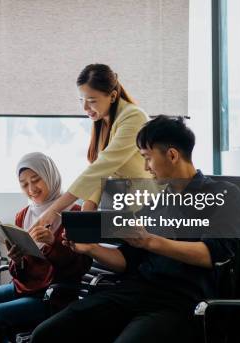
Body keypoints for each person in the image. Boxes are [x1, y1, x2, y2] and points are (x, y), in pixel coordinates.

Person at [31, 116, 240, 343]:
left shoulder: (224, 195)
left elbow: (212, 254)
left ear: (172, 155)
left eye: (147, 158)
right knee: (46, 335)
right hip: (135, 291)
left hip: (182, 302)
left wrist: (150, 241)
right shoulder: (157, 202)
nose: (145, 167)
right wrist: (92, 249)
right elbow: (127, 259)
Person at [0, 152, 92, 343]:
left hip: (53, 295)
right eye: (24, 184)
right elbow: (19, 274)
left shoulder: (76, 213)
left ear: (50, 176)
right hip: (24, 288)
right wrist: (16, 260)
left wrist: (53, 243)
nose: (31, 188)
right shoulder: (23, 215)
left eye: (36, 180)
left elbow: (81, 267)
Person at [33, 64, 153, 229]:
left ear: (112, 96)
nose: (84, 107)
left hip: (144, 210)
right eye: (81, 100)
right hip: (118, 209)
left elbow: (102, 167)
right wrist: (88, 207)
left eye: (91, 101)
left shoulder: (134, 117)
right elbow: (100, 172)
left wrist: (54, 209)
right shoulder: (103, 120)